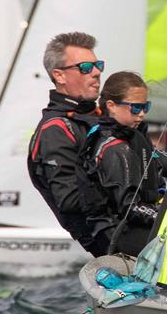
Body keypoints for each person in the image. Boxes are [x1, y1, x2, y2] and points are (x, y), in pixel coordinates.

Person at [27, 32, 107, 255]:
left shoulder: (100, 116)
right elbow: (71, 200)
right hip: (114, 244)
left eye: (97, 65)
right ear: (59, 76)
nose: (97, 72)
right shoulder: (56, 129)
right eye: (85, 67)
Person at [79, 71, 167, 256]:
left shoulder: (133, 137)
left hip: (134, 226)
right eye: (136, 108)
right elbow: (130, 207)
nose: (142, 114)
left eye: (146, 107)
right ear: (112, 106)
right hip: (118, 234)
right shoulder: (116, 149)